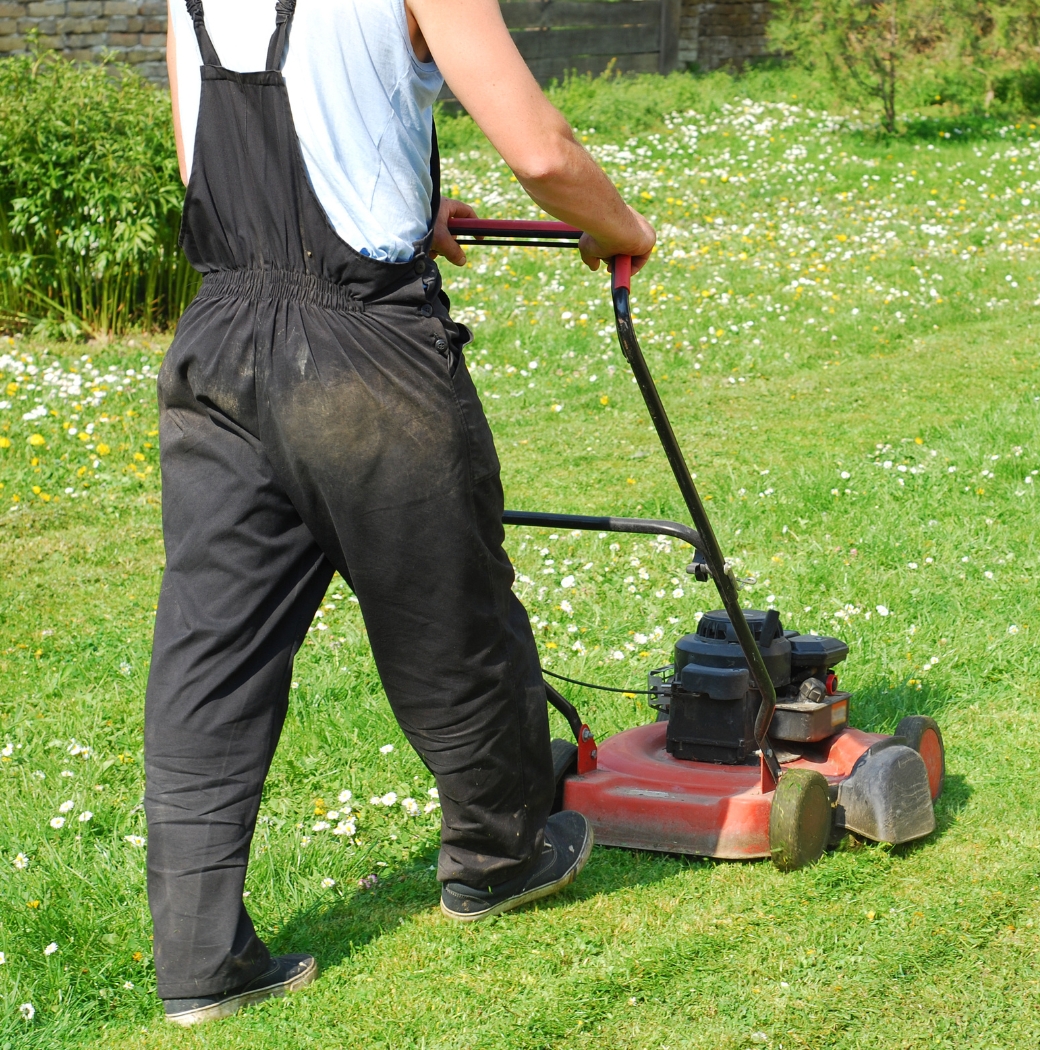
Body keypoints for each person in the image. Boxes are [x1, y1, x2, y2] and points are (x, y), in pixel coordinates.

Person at [151, 0, 655, 1026]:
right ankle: (498, 855)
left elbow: (202, 154)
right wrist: (621, 228)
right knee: (447, 610)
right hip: (363, 354)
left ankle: (199, 962)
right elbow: (542, 151)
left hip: (218, 345)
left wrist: (391, 196)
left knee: (212, 651)